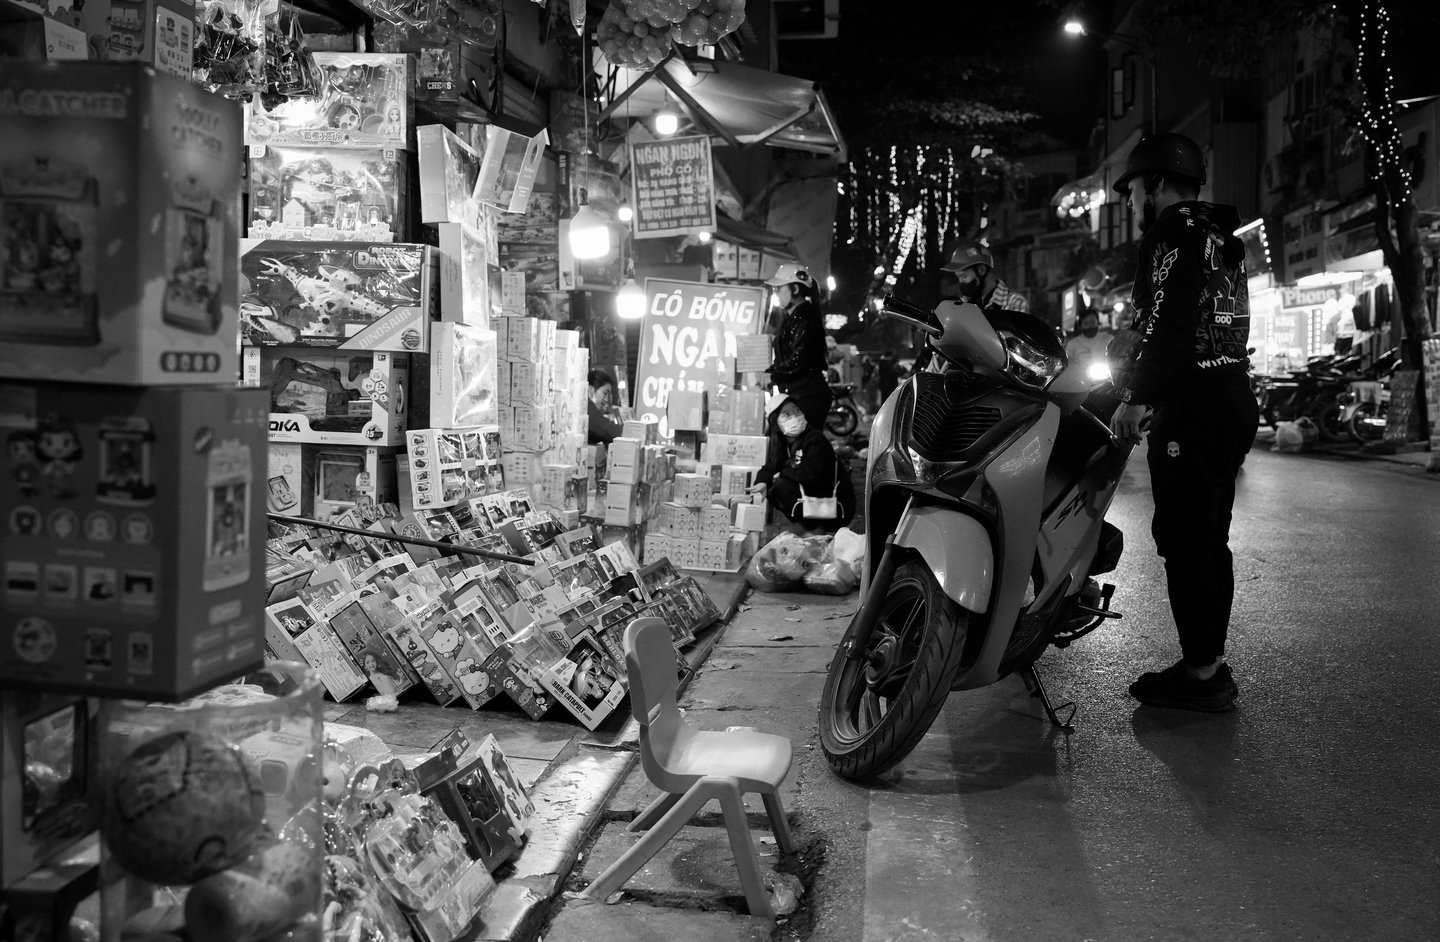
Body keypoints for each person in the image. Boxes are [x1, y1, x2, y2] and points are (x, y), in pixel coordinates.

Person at [1108, 131, 1258, 713]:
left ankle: (1201, 674)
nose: (1128, 203)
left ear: (1157, 185)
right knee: (1206, 538)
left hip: (1193, 403)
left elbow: (1171, 320)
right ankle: (1207, 662)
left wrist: (1137, 397)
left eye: (1132, 191)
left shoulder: (1173, 231)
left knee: (1187, 540)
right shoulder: (1220, 234)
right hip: (1230, 396)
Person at [747, 393, 854, 532]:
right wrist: (762, 481)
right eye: (786, 414)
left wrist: (782, 473)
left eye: (796, 410)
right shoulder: (782, 444)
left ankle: (815, 528)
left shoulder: (815, 439)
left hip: (837, 507)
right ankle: (808, 526)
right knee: (771, 487)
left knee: (782, 485)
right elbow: (771, 466)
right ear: (776, 424)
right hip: (816, 503)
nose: (794, 416)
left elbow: (811, 475)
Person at [764, 263, 830, 432]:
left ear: (794, 289)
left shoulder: (805, 317)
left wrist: (774, 375)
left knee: (806, 450)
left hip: (808, 396)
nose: (776, 293)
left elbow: (799, 358)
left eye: (779, 288)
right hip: (801, 394)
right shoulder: (795, 316)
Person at [940, 240, 1030, 313]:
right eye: (958, 277)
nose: (961, 281)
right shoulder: (963, 304)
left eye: (964, 276)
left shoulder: (1014, 303)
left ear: (981, 270)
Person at [1065, 309, 1114, 377]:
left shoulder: (1109, 339)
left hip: (1108, 379)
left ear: (1098, 322)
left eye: (1093, 322)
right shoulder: (1072, 344)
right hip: (1083, 380)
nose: (1090, 326)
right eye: (1086, 324)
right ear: (1080, 326)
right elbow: (1069, 365)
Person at [586, 369, 623, 445]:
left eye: (609, 396)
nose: (607, 399)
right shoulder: (587, 407)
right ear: (590, 390)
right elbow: (607, 429)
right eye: (605, 393)